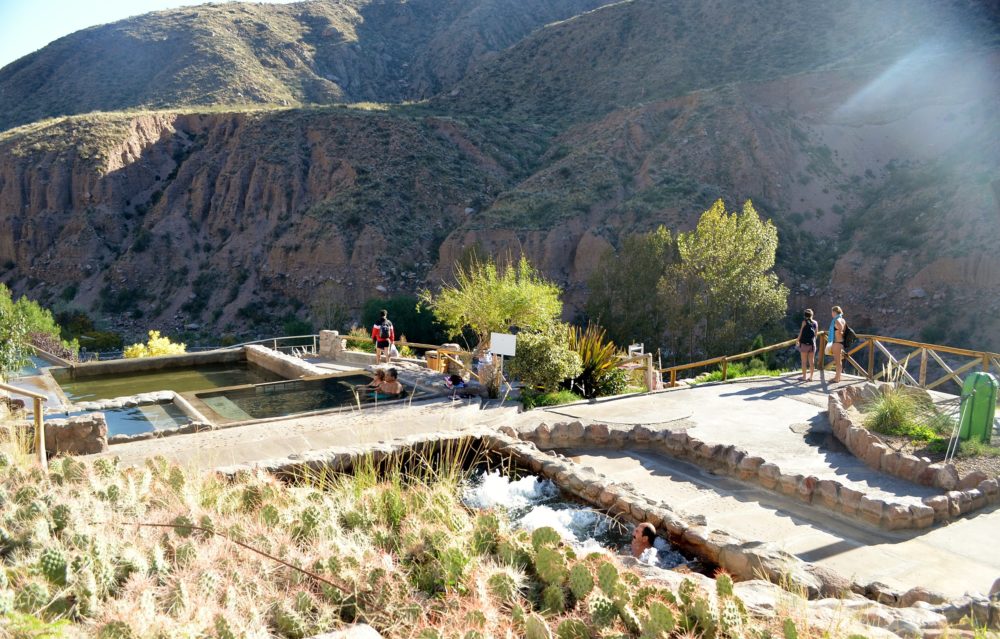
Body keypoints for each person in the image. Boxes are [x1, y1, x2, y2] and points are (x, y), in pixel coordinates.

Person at [796, 309, 818, 382]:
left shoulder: (804, 322)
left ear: (805, 315)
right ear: (812, 315)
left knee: (804, 362)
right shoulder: (815, 323)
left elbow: (801, 332)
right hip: (812, 344)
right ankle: (811, 377)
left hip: (804, 344)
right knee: (811, 361)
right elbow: (815, 334)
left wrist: (797, 340)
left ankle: (804, 377)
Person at [829, 306, 846, 383]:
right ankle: (839, 376)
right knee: (839, 361)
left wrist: (840, 331)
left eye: (832, 312)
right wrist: (841, 332)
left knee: (837, 361)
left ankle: (836, 378)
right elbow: (844, 328)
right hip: (841, 342)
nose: (831, 313)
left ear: (835, 312)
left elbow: (841, 327)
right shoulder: (843, 319)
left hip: (837, 342)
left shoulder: (836, 320)